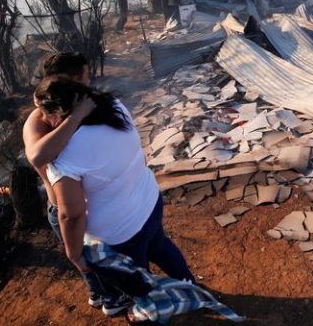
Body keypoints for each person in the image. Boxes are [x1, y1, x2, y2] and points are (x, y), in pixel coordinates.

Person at [34, 77, 197, 316]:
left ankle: (153, 309)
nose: (39, 120)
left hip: (120, 232)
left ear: (57, 115)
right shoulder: (114, 107)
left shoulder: (65, 159)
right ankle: (189, 286)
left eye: (41, 113)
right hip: (148, 202)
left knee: (136, 278)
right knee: (160, 246)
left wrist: (74, 253)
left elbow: (71, 214)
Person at [22, 53, 123, 315]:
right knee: (88, 258)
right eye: (84, 77)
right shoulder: (42, 118)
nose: (88, 81)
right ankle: (113, 298)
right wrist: (76, 116)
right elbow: (38, 156)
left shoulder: (70, 109)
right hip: (64, 207)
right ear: (71, 81)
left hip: (79, 203)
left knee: (87, 259)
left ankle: (98, 293)